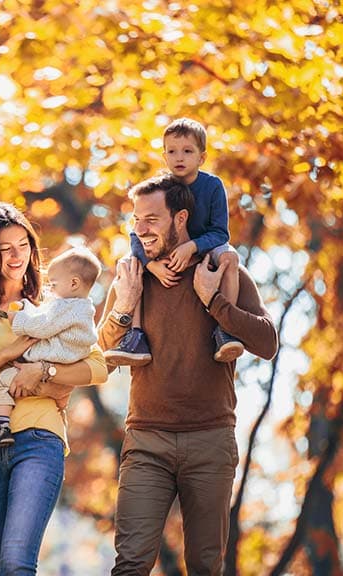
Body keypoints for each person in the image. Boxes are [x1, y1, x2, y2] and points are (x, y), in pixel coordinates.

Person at [97, 173, 278, 575]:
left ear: (181, 219)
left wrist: (214, 301)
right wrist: (124, 307)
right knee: (130, 564)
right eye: (136, 219)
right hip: (146, 440)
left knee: (204, 566)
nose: (140, 230)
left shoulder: (222, 271)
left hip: (210, 440)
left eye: (152, 220)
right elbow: (99, 360)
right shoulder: (132, 277)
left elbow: (267, 343)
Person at [0, 203, 108, 575]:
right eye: (5, 249)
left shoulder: (56, 303)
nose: (17, 256)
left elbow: (97, 367)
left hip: (38, 440)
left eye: (23, 245)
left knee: (16, 563)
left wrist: (44, 371)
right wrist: (10, 353)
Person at [105, 117, 244, 366]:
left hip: (205, 248)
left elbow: (221, 233)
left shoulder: (212, 186)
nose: (179, 158)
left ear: (201, 158)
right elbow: (137, 232)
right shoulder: (161, 187)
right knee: (129, 265)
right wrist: (149, 264)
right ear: (164, 156)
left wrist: (192, 246)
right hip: (161, 251)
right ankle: (135, 336)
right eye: (172, 151)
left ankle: (225, 329)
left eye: (187, 151)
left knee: (229, 257)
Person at [0, 247, 102, 448]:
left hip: (53, 358)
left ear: (73, 283)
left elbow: (42, 326)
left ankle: (0, 427)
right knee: (55, 390)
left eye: (54, 284)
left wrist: (18, 319)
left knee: (2, 382)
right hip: (66, 362)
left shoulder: (64, 306)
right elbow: (45, 316)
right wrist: (28, 307)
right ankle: (58, 401)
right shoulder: (83, 308)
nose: (50, 289)